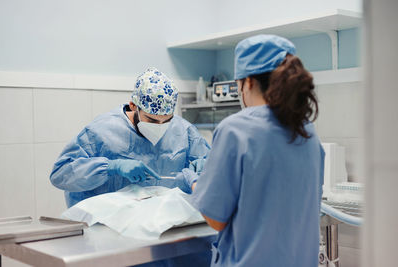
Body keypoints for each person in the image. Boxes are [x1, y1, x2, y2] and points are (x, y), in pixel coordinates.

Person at [177, 35, 325, 266]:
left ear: (248, 82)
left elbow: (215, 220)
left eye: (237, 85)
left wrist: (197, 184)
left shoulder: (236, 130)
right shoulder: (308, 131)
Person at [50, 67, 212, 266]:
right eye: (152, 120)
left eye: (166, 120)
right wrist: (111, 166)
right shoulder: (101, 131)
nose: (160, 127)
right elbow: (61, 173)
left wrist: (206, 168)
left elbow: (210, 169)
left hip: (167, 235)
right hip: (114, 238)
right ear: (133, 105)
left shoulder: (183, 130)